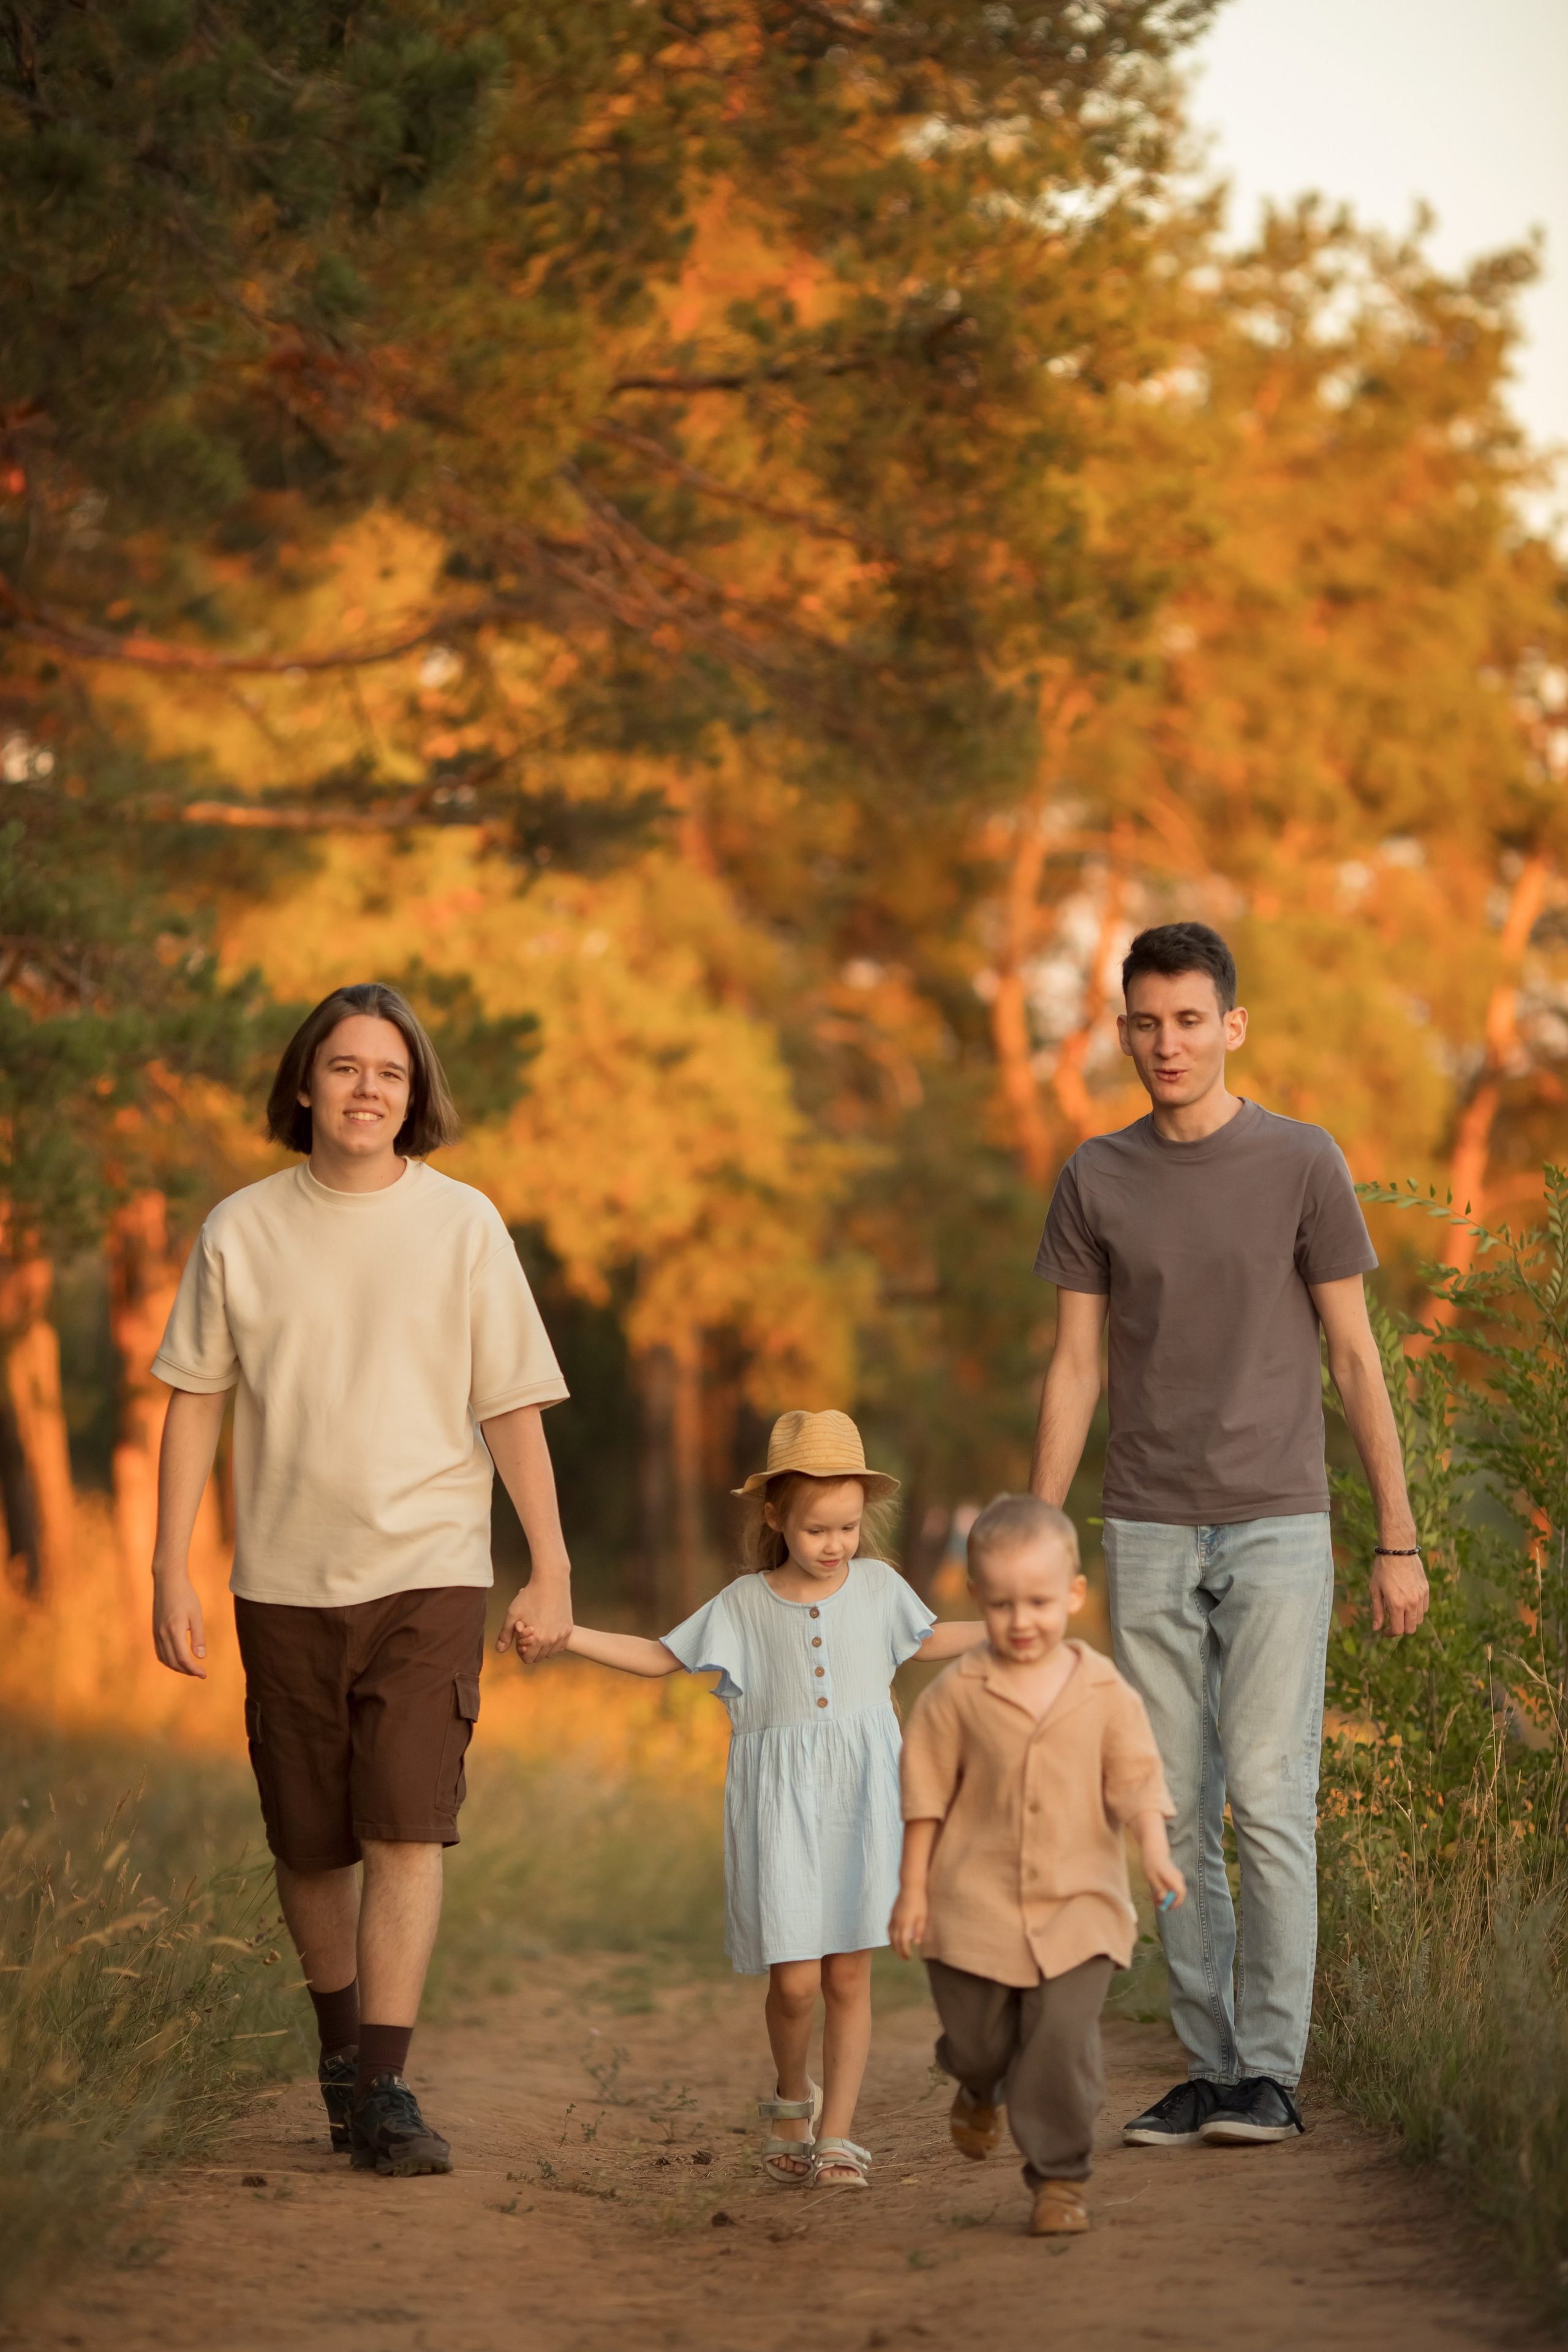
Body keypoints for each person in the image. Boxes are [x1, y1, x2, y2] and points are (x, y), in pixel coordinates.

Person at [149, 981, 575, 2178]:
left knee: (403, 1826)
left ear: (413, 1092)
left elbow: (512, 1405)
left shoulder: (463, 1224)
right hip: (282, 1580)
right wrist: (168, 1565)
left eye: (388, 1071)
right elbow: (195, 1401)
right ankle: (341, 2061)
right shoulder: (240, 1228)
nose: (366, 1088)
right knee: (310, 1845)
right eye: (344, 1067)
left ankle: (386, 2086)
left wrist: (549, 1567)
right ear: (306, 1083)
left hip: (429, 1572)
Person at [1030, 921, 1428, 2149]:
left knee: (1268, 1799)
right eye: (1147, 1023)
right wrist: (1040, 1535)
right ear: (1124, 1033)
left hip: (1277, 1525)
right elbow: (1075, 1366)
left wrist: (1397, 1539)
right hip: (1146, 1522)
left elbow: (1355, 1357)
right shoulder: (1095, 1176)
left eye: (1190, 1020)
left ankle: (1270, 2072)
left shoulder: (1302, 1161)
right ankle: (1206, 2069)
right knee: (1166, 1806)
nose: (1168, 1043)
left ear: (1230, 1027)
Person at [523, 1408, 985, 2190]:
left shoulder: (879, 1587)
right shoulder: (742, 1604)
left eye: (848, 1528)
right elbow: (660, 1656)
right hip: (781, 1811)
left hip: (863, 1802)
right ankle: (790, 2099)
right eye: (816, 1529)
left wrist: (1008, 1624)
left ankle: (836, 2138)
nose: (835, 1544)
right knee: (795, 1985)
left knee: (848, 1978)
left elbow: (929, 1638)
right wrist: (569, 1636)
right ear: (775, 1518)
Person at [890, 1495, 1180, 2235]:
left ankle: (1059, 2179)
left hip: (1080, 1904)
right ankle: (977, 2083)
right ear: (976, 1597)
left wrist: (1154, 1851)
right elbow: (925, 1795)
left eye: (1040, 1603)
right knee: (979, 2042)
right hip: (973, 1905)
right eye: (1003, 1605)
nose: (1022, 1621)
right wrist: (912, 1889)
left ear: (1074, 1595)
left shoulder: (1104, 1690)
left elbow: (1137, 1777)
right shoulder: (956, 1695)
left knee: (1060, 2042)